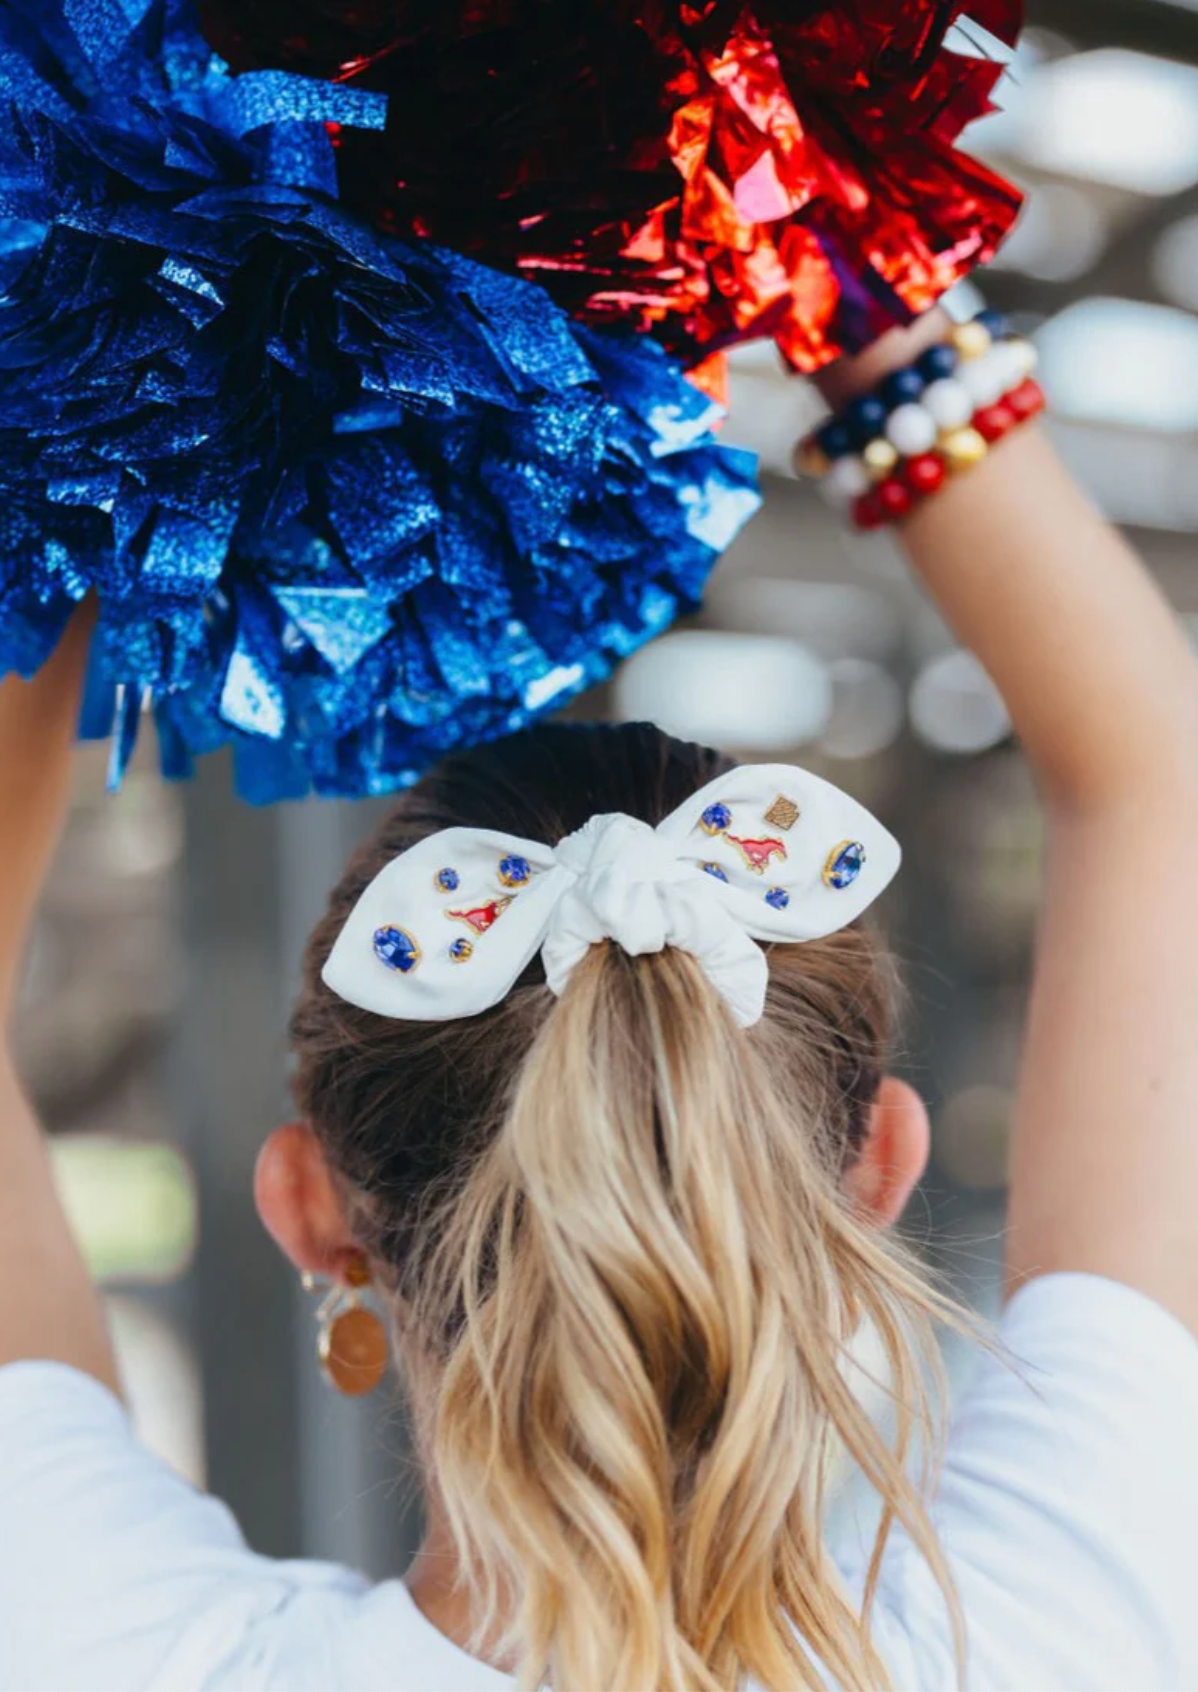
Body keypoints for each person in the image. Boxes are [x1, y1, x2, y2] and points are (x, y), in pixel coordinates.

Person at [3, 301, 1198, 1692]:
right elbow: (1156, 789)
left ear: (306, 1209)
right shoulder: (1057, 1625)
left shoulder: (110, 1645)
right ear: (879, 1164)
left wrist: (111, 384)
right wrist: (864, 288)